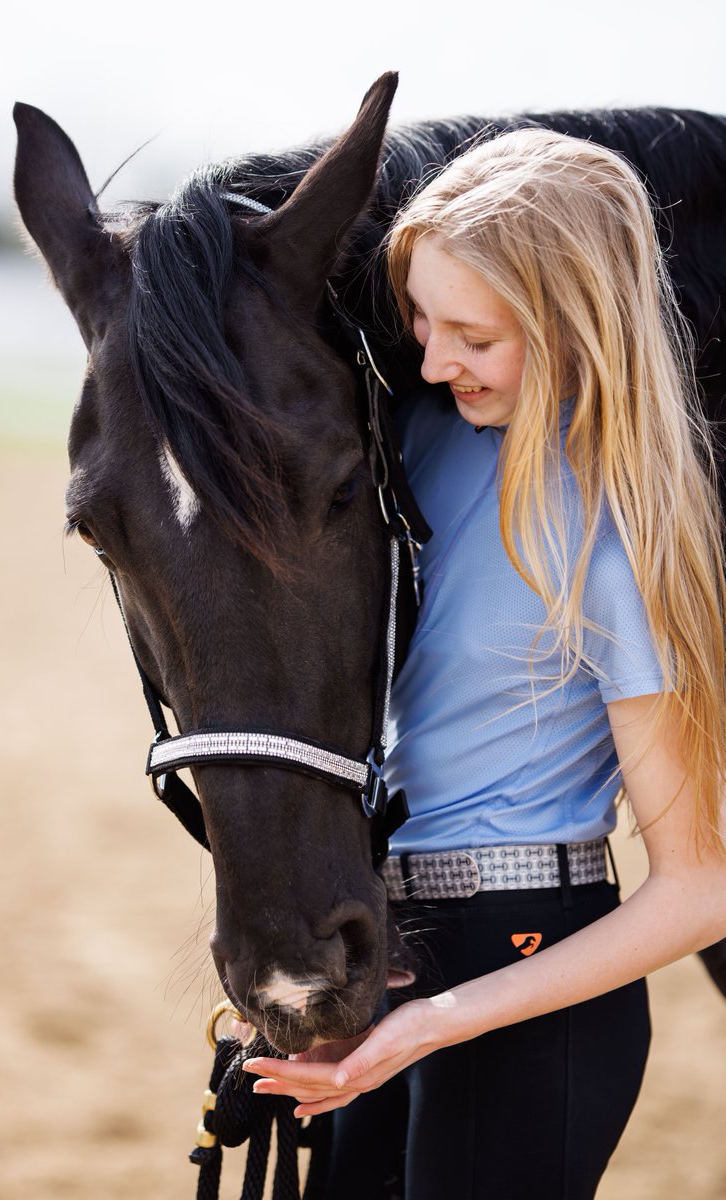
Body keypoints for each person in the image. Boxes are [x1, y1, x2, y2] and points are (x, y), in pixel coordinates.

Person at [243, 129, 726, 1199]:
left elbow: (698, 888)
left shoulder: (616, 536)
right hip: (390, 944)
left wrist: (441, 1019)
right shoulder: (420, 435)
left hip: (530, 975)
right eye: (418, 318)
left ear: (574, 321)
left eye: (471, 333)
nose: (430, 359)